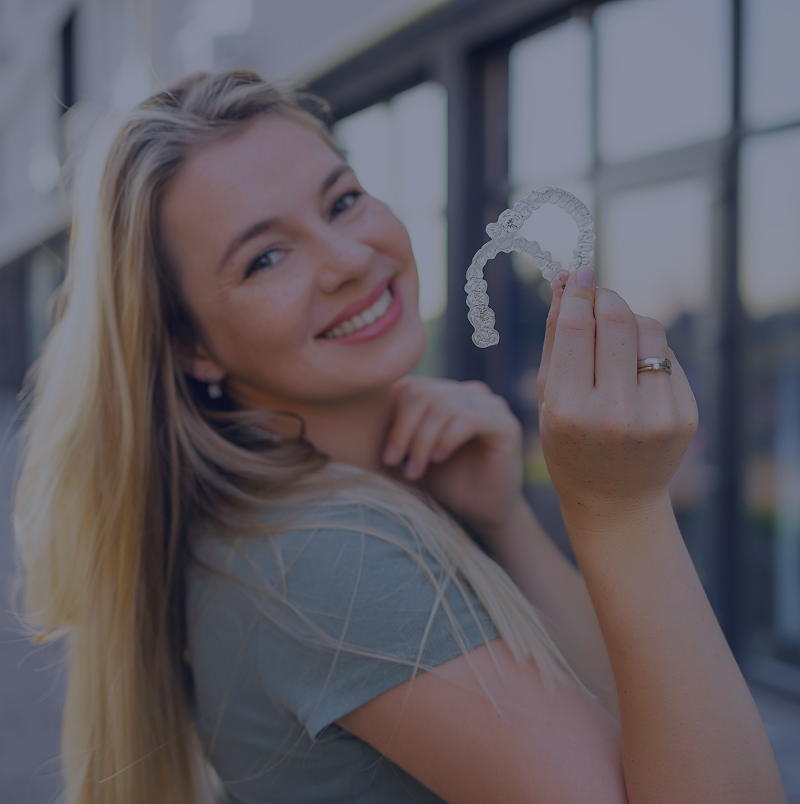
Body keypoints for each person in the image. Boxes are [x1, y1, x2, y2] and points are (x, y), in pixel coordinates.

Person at [15, 70, 785, 804]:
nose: (349, 259)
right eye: (266, 257)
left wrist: (503, 519)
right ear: (191, 346)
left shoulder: (305, 522)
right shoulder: (331, 558)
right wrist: (623, 513)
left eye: (342, 201)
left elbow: (632, 729)